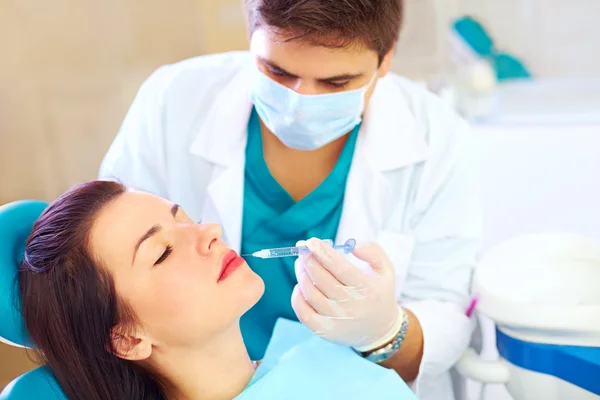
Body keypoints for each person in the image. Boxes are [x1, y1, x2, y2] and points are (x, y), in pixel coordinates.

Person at [99, 0, 481, 398]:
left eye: (336, 84)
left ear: (386, 60)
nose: (300, 104)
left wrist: (385, 331)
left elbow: (445, 318)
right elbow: (107, 267)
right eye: (277, 71)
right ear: (251, 37)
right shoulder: (173, 102)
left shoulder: (439, 140)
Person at [19, 180, 417, 400]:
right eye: (163, 252)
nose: (209, 232)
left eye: (186, 219)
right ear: (127, 338)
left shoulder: (311, 356)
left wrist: (383, 332)